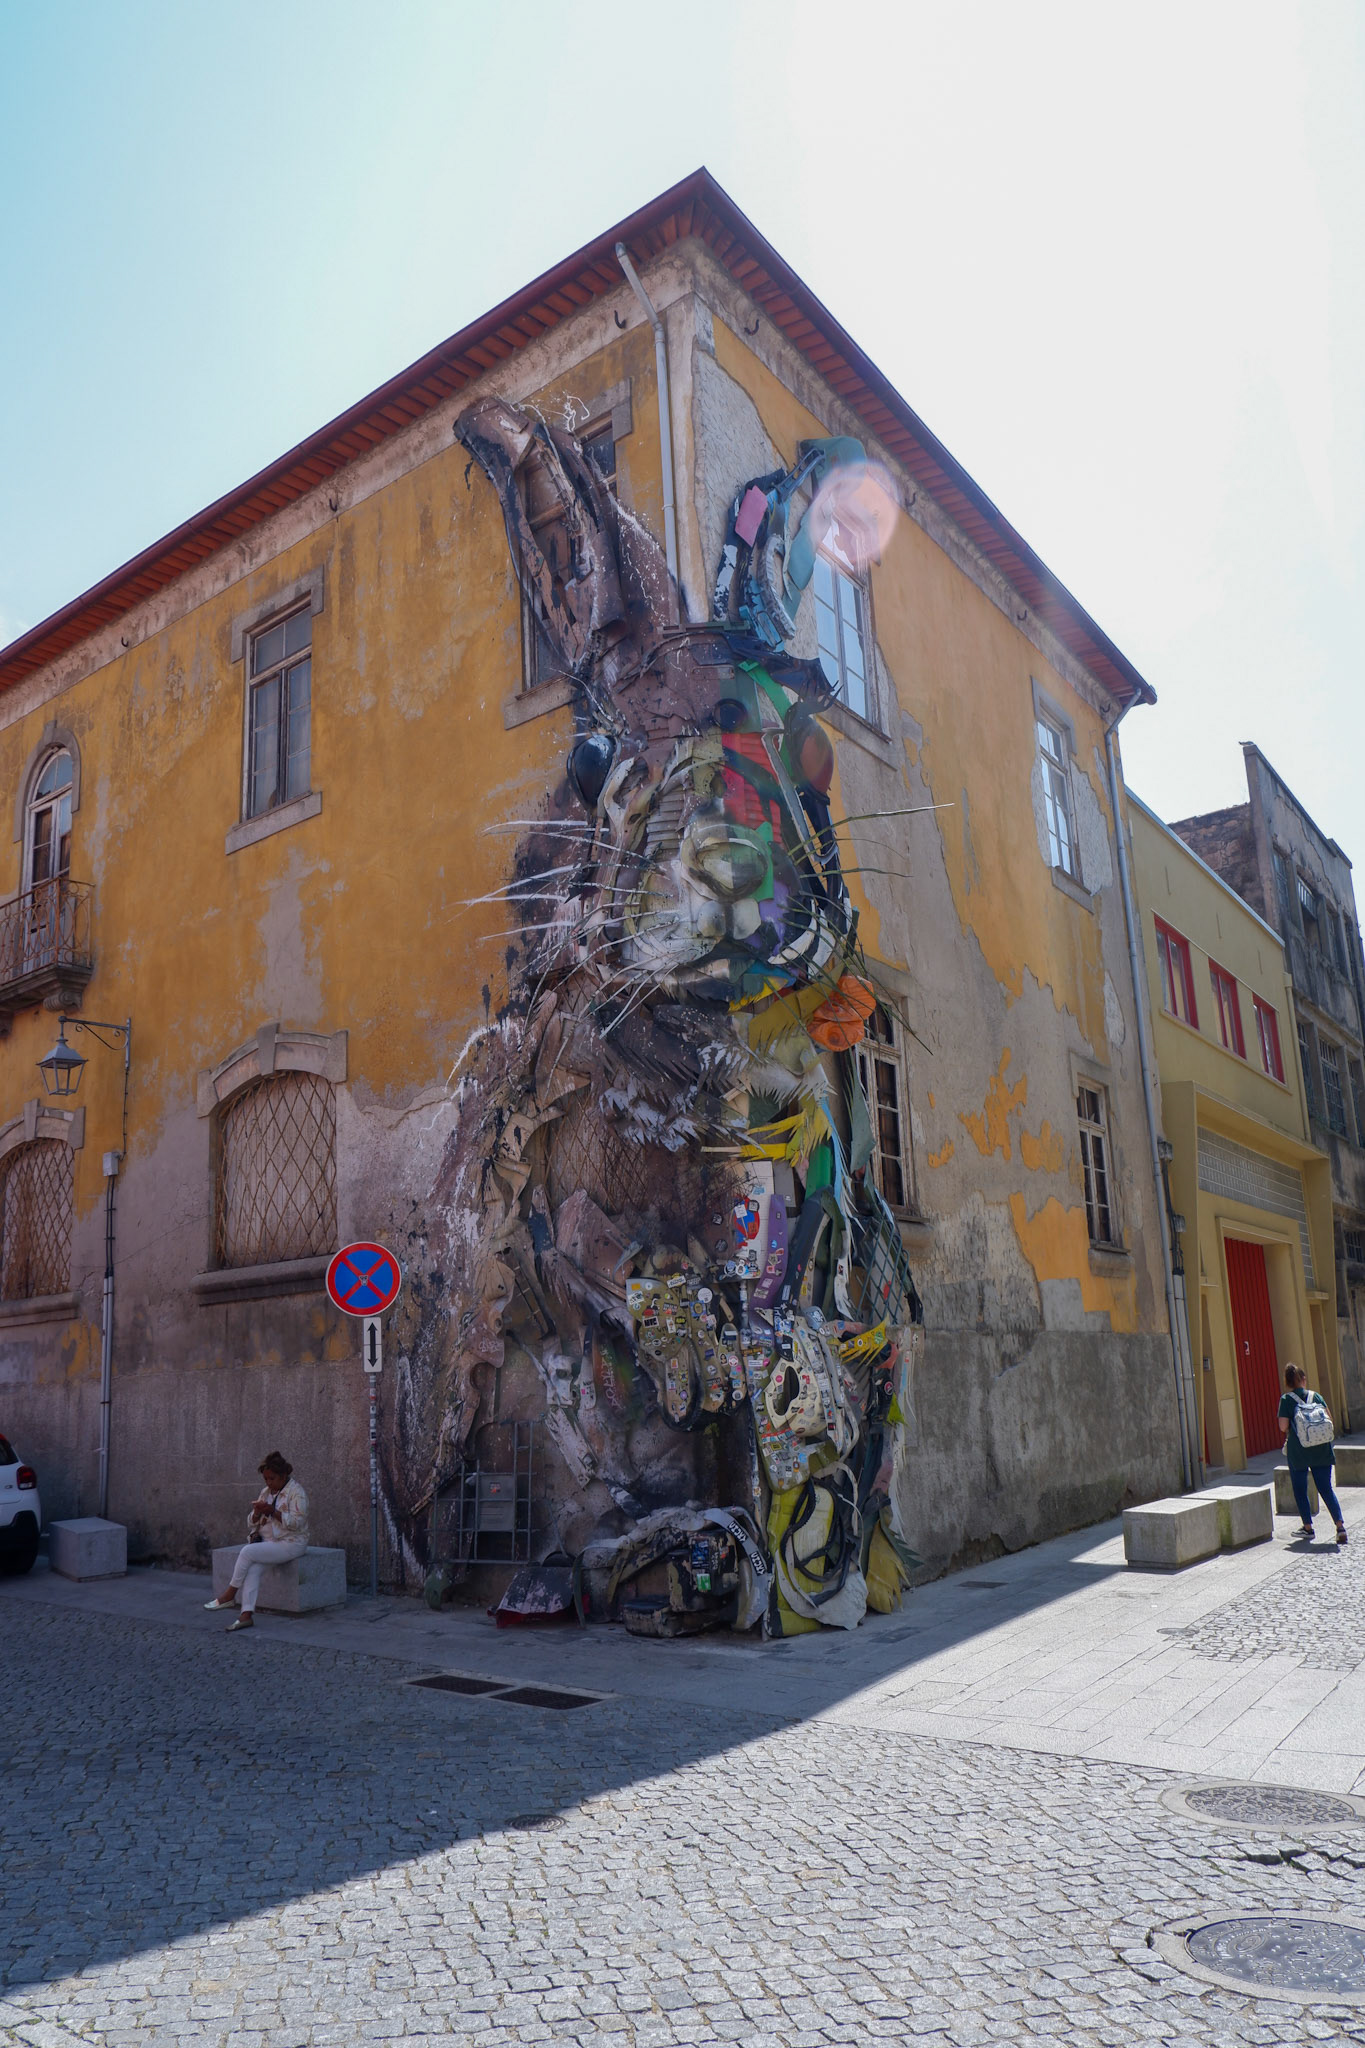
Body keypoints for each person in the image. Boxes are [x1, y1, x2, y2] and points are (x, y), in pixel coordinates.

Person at [205, 1453, 310, 1630]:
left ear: (283, 1475)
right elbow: (251, 1522)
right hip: (270, 1542)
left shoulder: (297, 1493)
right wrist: (256, 1513)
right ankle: (246, 1615)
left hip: (292, 1543)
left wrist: (272, 1511)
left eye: (272, 1478)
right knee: (253, 1570)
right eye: (265, 1479)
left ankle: (229, 1595)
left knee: (247, 1552)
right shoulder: (266, 1492)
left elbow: (297, 1522)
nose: (268, 1482)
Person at [1278, 1364, 1347, 1546]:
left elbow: (1283, 1427)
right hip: (1322, 1449)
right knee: (1326, 1489)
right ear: (1303, 1379)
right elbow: (1329, 1420)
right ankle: (1340, 1527)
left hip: (1299, 1451)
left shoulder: (1286, 1400)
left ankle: (1308, 1528)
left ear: (1287, 1382)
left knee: (1300, 1490)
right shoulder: (1316, 1396)